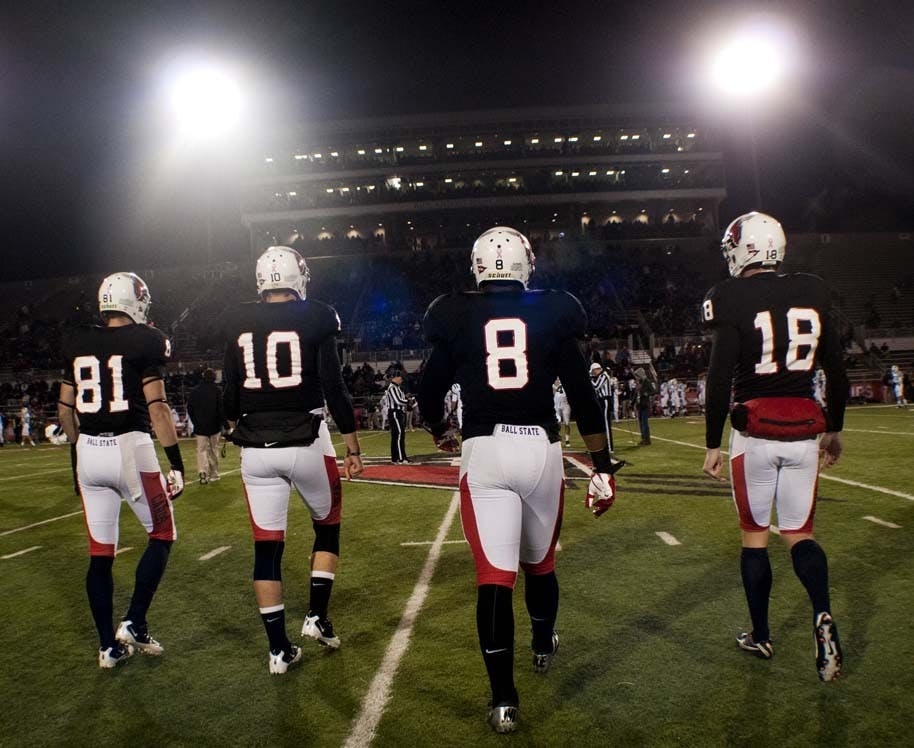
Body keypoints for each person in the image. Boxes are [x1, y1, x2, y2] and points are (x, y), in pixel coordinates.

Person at [418, 226, 622, 733]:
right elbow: (583, 394)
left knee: (493, 580)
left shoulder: (455, 312)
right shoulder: (552, 309)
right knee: (540, 564)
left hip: (484, 450)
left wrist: (442, 428)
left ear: (478, 266)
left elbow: (427, 390)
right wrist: (601, 465)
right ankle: (541, 640)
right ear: (527, 264)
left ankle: (504, 700)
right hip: (540, 448)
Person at [701, 212, 849, 682]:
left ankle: (761, 634)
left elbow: (719, 375)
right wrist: (836, 428)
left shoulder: (729, 296)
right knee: (800, 534)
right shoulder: (813, 290)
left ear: (740, 251)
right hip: (804, 428)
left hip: (755, 430)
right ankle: (822, 613)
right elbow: (839, 372)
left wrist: (711, 444)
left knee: (754, 536)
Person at [222, 246, 362, 675]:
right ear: (298, 279)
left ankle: (278, 650)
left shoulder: (236, 319)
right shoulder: (317, 315)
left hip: (255, 446)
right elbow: (333, 386)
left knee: (266, 548)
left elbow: (229, 389)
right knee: (328, 526)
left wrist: (232, 427)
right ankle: (317, 616)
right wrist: (353, 446)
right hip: (305, 438)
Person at [57, 272, 185, 669]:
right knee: (162, 534)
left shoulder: (76, 340)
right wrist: (176, 462)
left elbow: (65, 410)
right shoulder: (146, 340)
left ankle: (106, 647)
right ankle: (135, 620)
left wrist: (77, 459)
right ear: (137, 303)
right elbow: (158, 408)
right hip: (130, 447)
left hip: (89, 453)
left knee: (100, 554)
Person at [187, 368, 224, 484]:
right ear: (214, 378)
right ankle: (214, 474)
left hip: (200, 427)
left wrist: (195, 422)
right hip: (214, 426)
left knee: (201, 451)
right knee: (213, 450)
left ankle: (202, 472)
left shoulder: (195, 391)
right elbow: (220, 409)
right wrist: (226, 426)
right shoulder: (217, 390)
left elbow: (190, 409)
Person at [385, 370, 410, 463]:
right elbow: (398, 401)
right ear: (396, 377)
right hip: (395, 412)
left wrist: (407, 399)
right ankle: (401, 458)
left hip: (398, 412)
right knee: (399, 434)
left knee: (396, 435)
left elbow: (401, 399)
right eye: (401, 378)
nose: (402, 380)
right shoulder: (392, 388)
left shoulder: (397, 388)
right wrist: (408, 402)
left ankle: (395, 458)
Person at [589, 362, 614, 453]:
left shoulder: (604, 376)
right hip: (601, 401)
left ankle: (610, 447)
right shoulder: (600, 376)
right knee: (602, 424)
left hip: (605, 400)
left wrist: (589, 379)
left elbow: (596, 386)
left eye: (593, 371)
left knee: (606, 425)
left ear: (597, 369)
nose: (593, 373)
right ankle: (605, 445)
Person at [634, 368, 653, 445]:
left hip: (645, 405)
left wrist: (646, 393)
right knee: (641, 423)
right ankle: (643, 438)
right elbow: (637, 394)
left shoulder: (647, 382)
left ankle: (647, 440)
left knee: (645, 423)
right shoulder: (639, 383)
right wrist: (632, 403)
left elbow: (653, 391)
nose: (637, 377)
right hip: (640, 405)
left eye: (637, 375)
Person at [552, 379, 571, 447]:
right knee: (557, 422)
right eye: (556, 379)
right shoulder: (553, 386)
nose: (557, 380)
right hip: (556, 405)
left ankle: (567, 440)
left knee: (567, 423)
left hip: (565, 404)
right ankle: (558, 439)